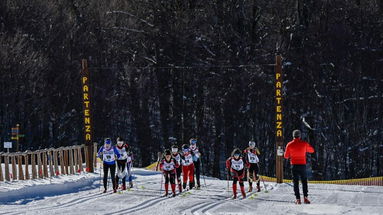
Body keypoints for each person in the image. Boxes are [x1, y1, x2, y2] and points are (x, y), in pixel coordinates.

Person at [284, 129, 315, 204]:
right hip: (302, 165)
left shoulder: (289, 144)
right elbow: (312, 150)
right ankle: (305, 198)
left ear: (293, 136)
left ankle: (298, 199)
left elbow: (286, 156)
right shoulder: (304, 144)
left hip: (294, 165)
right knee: (304, 181)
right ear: (300, 136)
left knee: (295, 182)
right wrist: (306, 146)